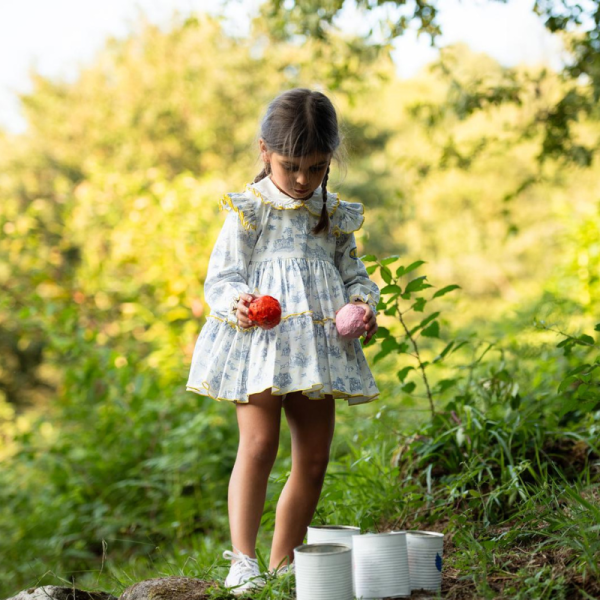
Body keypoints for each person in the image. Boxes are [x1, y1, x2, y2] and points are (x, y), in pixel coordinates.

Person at [185, 88, 380, 595]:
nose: (301, 179)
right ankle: (243, 562)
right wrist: (241, 304)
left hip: (317, 347)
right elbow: (222, 278)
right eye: (291, 165)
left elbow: (354, 274)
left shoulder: (333, 214)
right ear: (264, 151)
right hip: (261, 345)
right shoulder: (250, 208)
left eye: (315, 167)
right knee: (258, 444)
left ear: (329, 161)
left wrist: (361, 305)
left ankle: (282, 565)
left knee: (313, 457)